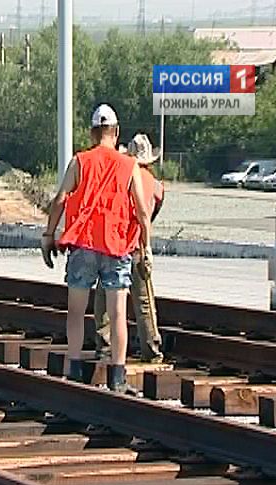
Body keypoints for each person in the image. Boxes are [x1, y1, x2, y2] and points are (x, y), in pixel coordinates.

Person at [40, 104, 151, 392]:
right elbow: (142, 211)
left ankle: (74, 369)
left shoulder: (79, 161)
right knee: (117, 314)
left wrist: (48, 235)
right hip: (116, 246)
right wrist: (146, 248)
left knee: (76, 312)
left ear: (92, 133)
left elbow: (60, 199)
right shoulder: (129, 165)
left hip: (83, 245)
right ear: (116, 132)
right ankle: (117, 377)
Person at [95, 134, 165, 364]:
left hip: (116, 244)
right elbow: (151, 214)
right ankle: (151, 349)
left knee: (105, 295)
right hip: (139, 245)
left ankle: (105, 346)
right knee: (144, 301)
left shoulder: (121, 175)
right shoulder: (156, 185)